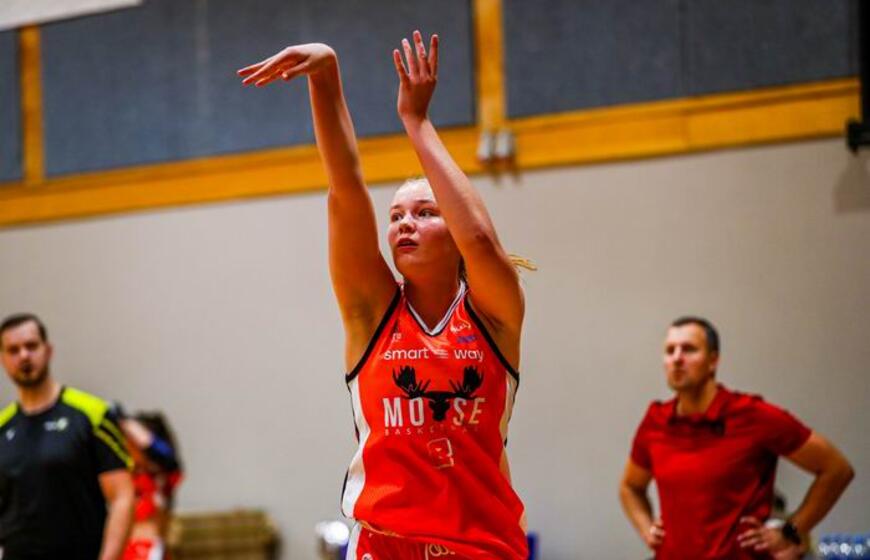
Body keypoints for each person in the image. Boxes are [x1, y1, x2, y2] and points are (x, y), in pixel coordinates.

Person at [239, 30, 528, 560]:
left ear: (454, 232)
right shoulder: (372, 312)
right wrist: (325, 76)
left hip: (481, 547)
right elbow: (345, 190)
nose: (404, 224)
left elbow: (481, 240)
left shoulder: (494, 313)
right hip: (384, 546)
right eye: (396, 217)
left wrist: (416, 122)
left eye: (425, 213)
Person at [619, 316, 854, 559]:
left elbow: (836, 469)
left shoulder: (752, 415)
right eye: (670, 350)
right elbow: (630, 487)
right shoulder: (656, 421)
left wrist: (791, 531)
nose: (677, 358)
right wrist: (647, 530)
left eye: (688, 349)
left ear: (713, 360)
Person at [0, 313, 135, 560]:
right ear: (3, 359)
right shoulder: (2, 426)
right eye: (13, 350)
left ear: (48, 350)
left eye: (31, 346)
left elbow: (122, 496)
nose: (24, 356)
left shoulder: (91, 414)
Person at [118, 410, 183, 560]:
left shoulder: (159, 478)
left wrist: (127, 424)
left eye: (132, 440)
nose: (127, 444)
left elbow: (166, 456)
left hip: (147, 550)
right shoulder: (121, 476)